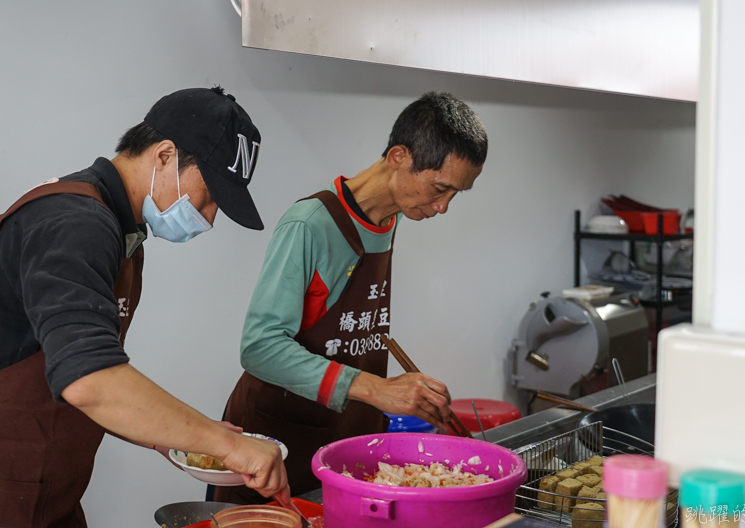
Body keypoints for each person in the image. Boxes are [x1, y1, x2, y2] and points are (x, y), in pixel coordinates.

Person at [0, 87, 288, 528]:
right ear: (166, 155)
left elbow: (92, 369)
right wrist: (226, 444)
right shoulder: (76, 223)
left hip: (46, 491)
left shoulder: (120, 232)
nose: (209, 218)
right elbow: (88, 379)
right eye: (210, 195)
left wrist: (171, 437)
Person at [214, 91, 488, 502]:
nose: (444, 206)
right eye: (439, 188)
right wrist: (376, 389)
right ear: (398, 156)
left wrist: (394, 391)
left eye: (455, 194)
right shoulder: (309, 225)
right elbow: (259, 348)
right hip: (277, 441)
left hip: (348, 437)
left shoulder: (390, 218)